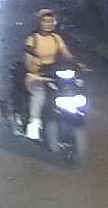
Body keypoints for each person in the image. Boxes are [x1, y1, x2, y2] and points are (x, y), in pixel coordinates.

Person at [22, 9, 78, 140]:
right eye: (45, 21)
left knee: (73, 88)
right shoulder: (33, 39)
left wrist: (76, 63)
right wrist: (35, 67)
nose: (49, 24)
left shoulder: (56, 38)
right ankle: (34, 122)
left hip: (53, 74)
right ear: (39, 23)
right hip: (36, 75)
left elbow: (65, 52)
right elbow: (29, 58)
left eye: (51, 21)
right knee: (39, 93)